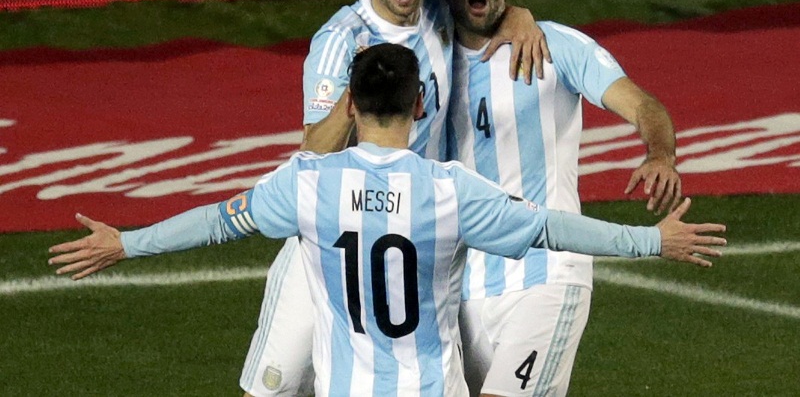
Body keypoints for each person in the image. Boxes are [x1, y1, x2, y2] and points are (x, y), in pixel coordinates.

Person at [48, 44, 726, 397]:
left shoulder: (308, 183)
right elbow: (552, 228)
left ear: (350, 104)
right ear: (421, 105)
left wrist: (126, 242)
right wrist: (650, 238)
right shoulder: (450, 190)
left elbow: (216, 221)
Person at [241, 0, 549, 396]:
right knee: (273, 387)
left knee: (488, 373)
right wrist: (353, 88)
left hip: (423, 232)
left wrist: (518, 15)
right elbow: (312, 152)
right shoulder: (340, 40)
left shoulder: (437, 9)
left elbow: (485, 0)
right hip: (332, 239)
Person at [440, 0, 682, 397]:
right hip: (461, 291)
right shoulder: (431, 59)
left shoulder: (556, 46)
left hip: (547, 276)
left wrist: (661, 154)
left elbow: (644, 106)